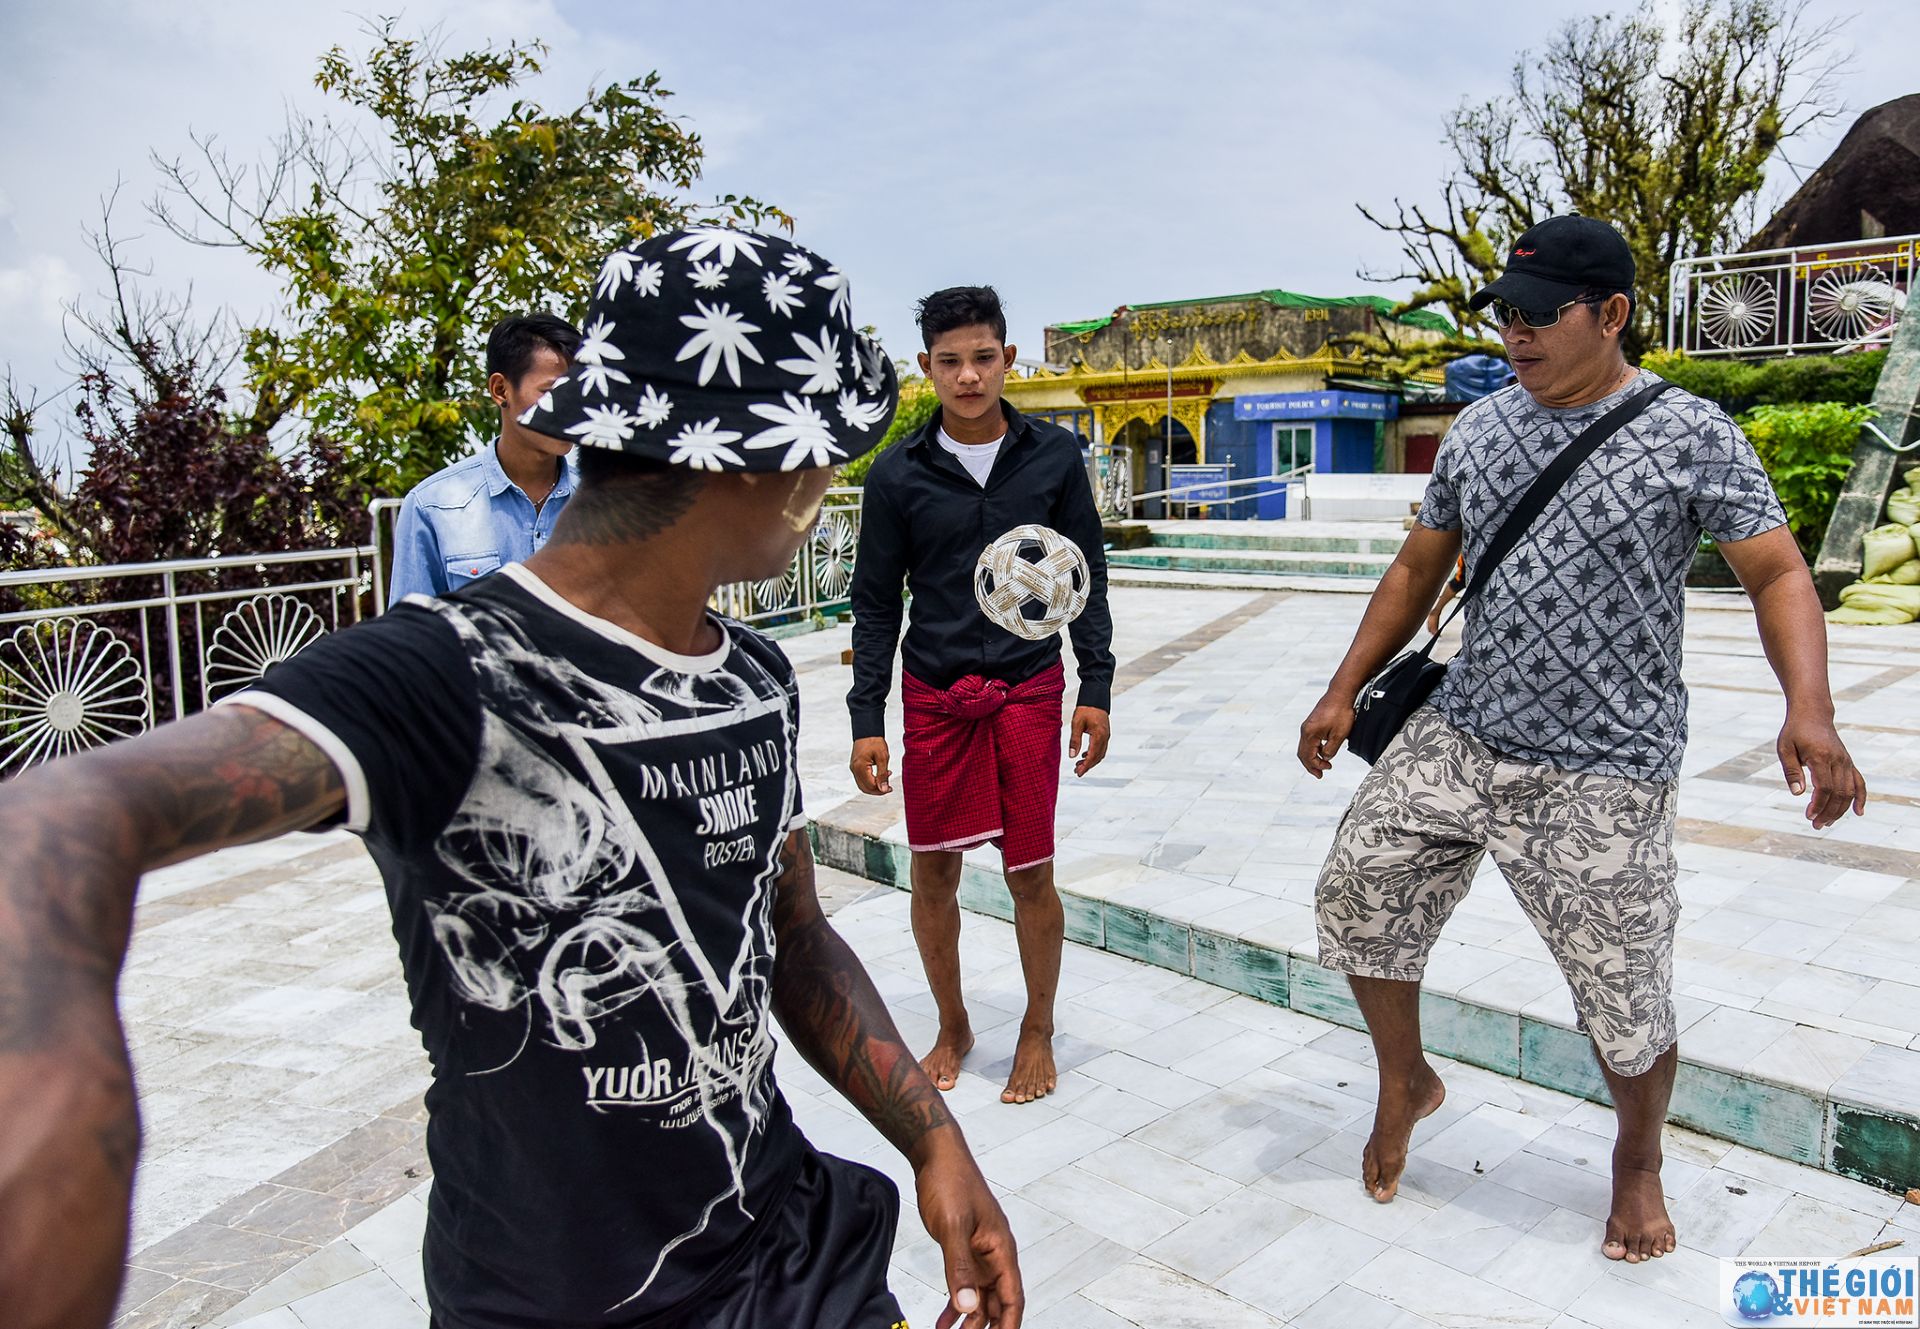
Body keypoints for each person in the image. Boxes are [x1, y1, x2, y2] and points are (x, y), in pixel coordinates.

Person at [0, 231, 1023, 1329]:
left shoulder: (755, 681)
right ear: (758, 467)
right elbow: (63, 814)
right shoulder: (443, 674)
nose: (832, 480)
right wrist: (60, 1085)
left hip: (792, 1250)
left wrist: (932, 1138)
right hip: (561, 1300)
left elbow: (790, 937)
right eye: (828, 453)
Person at [1296, 215, 1868, 1264]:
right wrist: (1344, 689)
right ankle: (1405, 1079)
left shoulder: (1693, 434)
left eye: (1537, 314)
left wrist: (1811, 709)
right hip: (1461, 732)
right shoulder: (1478, 430)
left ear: (1610, 315)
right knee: (1357, 893)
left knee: (1623, 990)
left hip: (1604, 766)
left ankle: (1638, 1161)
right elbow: (1419, 568)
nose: (1514, 333)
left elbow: (1780, 572)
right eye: (1503, 314)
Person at [847, 286, 1115, 1106]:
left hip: (1030, 689)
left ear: (1006, 358)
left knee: (1032, 873)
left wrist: (1095, 686)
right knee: (933, 875)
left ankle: (1038, 1026)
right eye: (951, 361)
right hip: (934, 693)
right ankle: (954, 1021)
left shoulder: (1054, 458)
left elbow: (1087, 580)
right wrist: (867, 718)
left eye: (984, 357)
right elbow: (875, 601)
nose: (969, 376)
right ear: (926, 368)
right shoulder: (896, 474)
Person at [387, 313, 582, 604]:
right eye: (551, 392)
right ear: (501, 390)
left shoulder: (603, 505)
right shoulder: (433, 507)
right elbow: (409, 641)